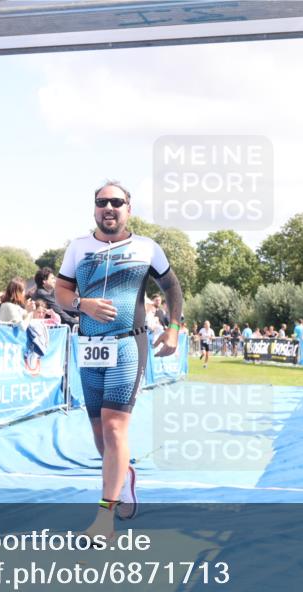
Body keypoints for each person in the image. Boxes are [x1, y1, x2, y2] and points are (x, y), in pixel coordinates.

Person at [55, 180, 183, 538]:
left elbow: (172, 287)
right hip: (90, 346)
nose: (108, 208)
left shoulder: (146, 247)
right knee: (101, 437)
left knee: (114, 428)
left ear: (129, 208)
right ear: (94, 208)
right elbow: (62, 291)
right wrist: (84, 304)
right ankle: (123, 478)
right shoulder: (78, 248)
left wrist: (173, 329)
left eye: (117, 202)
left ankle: (103, 520)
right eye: (102, 202)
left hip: (128, 346)